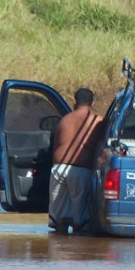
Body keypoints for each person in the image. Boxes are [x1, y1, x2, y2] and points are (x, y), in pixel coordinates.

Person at [49, 88, 106, 234]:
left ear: (75, 101)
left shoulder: (64, 120)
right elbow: (102, 147)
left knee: (58, 220)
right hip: (80, 170)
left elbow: (55, 145)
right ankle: (77, 250)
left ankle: (57, 251)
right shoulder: (97, 121)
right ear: (93, 102)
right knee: (80, 220)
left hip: (58, 169)